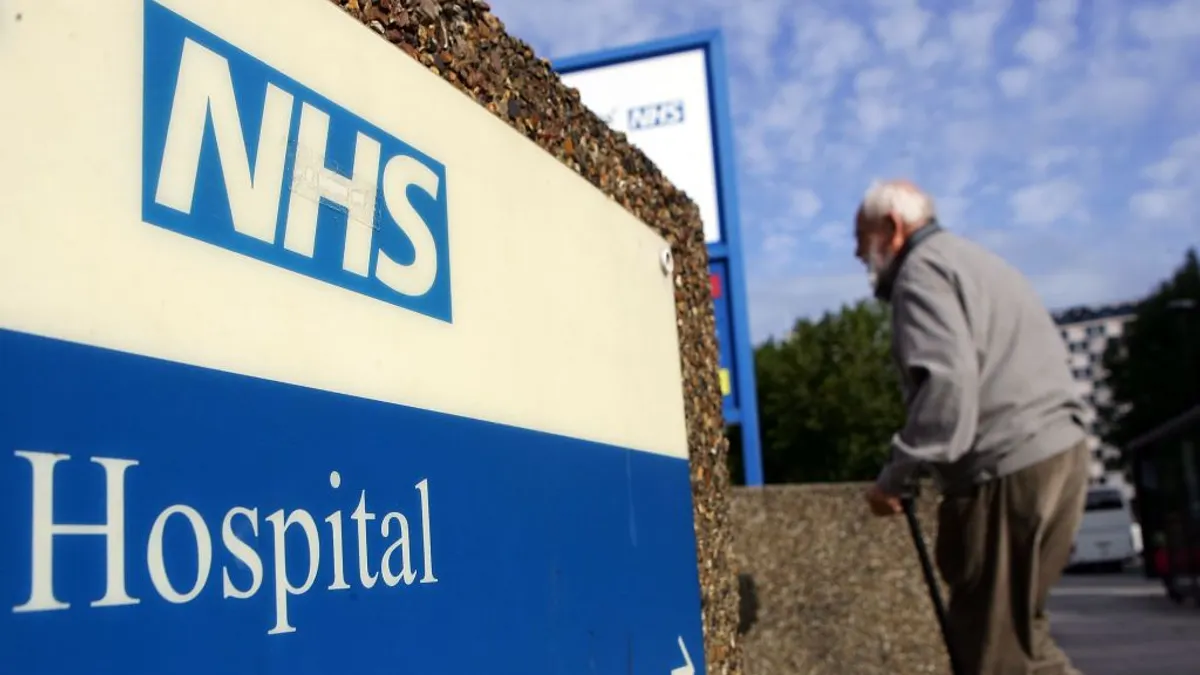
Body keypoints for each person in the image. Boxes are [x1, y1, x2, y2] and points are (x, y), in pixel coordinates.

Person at [854, 179, 1091, 675]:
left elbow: (946, 390)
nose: (860, 256)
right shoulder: (975, 261)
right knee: (1023, 638)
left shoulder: (919, 274)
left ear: (892, 228)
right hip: (1059, 453)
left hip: (1006, 465)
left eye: (863, 241)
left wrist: (896, 477)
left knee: (992, 652)